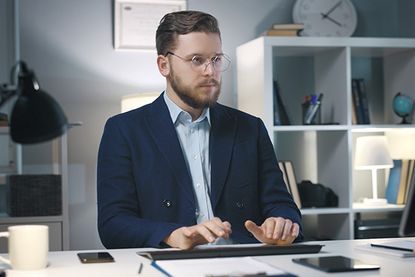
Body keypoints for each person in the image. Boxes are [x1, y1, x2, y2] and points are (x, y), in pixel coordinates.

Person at [97, 10, 303, 250]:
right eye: (197, 60)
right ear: (164, 65)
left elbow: (281, 204)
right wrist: (171, 235)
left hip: (245, 263)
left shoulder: (250, 128)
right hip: (170, 264)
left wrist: (282, 223)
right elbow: (113, 224)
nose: (210, 71)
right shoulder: (123, 130)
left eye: (216, 59)